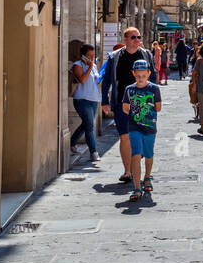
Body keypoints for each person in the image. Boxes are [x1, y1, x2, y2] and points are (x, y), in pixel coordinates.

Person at [100, 27, 152, 185]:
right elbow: (107, 80)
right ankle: (127, 171)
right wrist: (104, 101)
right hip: (121, 102)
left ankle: (138, 157)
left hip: (142, 102)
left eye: (138, 37)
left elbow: (153, 76)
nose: (137, 40)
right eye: (133, 37)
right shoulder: (114, 57)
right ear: (125, 40)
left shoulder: (145, 55)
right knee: (124, 136)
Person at [121, 59, 162, 203]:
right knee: (136, 154)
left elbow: (158, 107)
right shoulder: (129, 89)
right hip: (134, 127)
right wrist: (137, 112)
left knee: (149, 154)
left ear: (148, 74)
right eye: (138, 76)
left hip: (150, 127)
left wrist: (144, 108)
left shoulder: (154, 89)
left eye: (143, 76)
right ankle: (137, 187)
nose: (140, 79)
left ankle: (147, 177)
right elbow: (125, 107)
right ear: (134, 74)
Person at [69, 45, 102, 161]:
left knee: (86, 124)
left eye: (93, 55)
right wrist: (89, 68)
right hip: (82, 99)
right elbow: (82, 80)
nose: (92, 58)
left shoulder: (94, 67)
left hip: (94, 99)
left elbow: (96, 81)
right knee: (89, 126)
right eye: (89, 55)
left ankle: (72, 142)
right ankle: (93, 152)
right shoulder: (77, 65)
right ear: (83, 55)